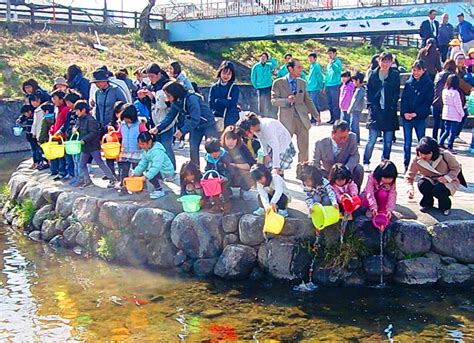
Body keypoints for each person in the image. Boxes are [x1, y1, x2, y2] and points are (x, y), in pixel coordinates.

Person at [151, 81, 217, 167]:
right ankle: (195, 171)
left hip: (208, 124)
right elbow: (169, 117)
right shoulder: (176, 102)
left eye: (168, 95)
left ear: (175, 93)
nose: (167, 98)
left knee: (211, 147)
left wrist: (182, 131)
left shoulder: (191, 99)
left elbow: (195, 119)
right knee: (193, 148)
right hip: (195, 126)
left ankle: (211, 169)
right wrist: (158, 127)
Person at [271, 58, 320, 165]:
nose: (301, 70)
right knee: (283, 147)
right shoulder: (278, 83)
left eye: (301, 67)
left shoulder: (302, 82)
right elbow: (274, 100)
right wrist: (286, 101)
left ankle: (303, 172)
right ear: (290, 68)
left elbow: (308, 100)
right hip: (286, 119)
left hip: (302, 119)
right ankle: (279, 170)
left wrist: (315, 114)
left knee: (304, 148)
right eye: (298, 67)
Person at [363, 52, 400, 172]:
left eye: (388, 61)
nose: (385, 64)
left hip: (389, 112)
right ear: (379, 61)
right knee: (371, 140)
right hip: (375, 112)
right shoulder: (373, 75)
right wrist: (372, 107)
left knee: (388, 141)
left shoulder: (394, 75)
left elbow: (396, 94)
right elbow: (369, 93)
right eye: (383, 61)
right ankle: (366, 161)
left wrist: (392, 108)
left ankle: (385, 162)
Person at [406, 137, 461, 215]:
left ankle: (445, 207)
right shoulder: (416, 160)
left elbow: (456, 168)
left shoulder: (445, 155)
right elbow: (409, 176)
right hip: (430, 179)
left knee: (439, 189)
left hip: (448, 181)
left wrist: (447, 178)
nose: (424, 156)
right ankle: (427, 203)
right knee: (422, 184)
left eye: (427, 153)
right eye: (421, 153)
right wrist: (410, 189)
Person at [73, 100, 117, 188]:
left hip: (93, 146)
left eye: (77, 111)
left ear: (83, 110)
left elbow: (93, 133)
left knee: (100, 163)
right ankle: (87, 180)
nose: (76, 113)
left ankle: (112, 179)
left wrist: (84, 140)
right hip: (85, 147)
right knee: (82, 164)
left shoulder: (91, 120)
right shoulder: (79, 120)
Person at [400, 60, 434, 171]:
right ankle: (407, 165)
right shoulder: (409, 83)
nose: (416, 72)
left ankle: (422, 166)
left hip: (419, 118)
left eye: (418, 70)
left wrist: (416, 113)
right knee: (407, 143)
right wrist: (405, 113)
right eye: (414, 70)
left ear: (424, 70)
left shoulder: (428, 84)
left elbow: (427, 102)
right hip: (407, 118)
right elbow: (404, 99)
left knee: (422, 143)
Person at [312, 120, 364, 190]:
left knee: (359, 169)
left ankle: (355, 194)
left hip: (346, 172)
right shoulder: (320, 143)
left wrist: (345, 169)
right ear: (333, 133)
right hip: (328, 173)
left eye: (345, 137)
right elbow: (315, 162)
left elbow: (355, 156)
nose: (342, 141)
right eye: (340, 138)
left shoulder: (352, 138)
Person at [114, 104, 148, 193]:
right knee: (124, 170)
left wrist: (142, 143)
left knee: (137, 170)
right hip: (125, 151)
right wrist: (113, 133)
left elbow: (145, 135)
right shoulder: (123, 124)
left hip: (137, 151)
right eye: (124, 118)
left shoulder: (140, 125)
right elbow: (120, 134)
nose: (126, 120)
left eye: (127, 118)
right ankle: (123, 187)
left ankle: (140, 187)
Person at [133, 132, 174, 199]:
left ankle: (159, 190)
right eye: (140, 144)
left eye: (143, 144)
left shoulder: (157, 152)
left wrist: (146, 176)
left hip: (165, 170)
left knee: (151, 173)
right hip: (159, 169)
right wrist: (135, 173)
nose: (141, 146)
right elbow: (143, 163)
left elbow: (156, 167)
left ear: (149, 142)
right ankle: (158, 185)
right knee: (149, 172)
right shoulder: (146, 150)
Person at [221, 125, 255, 200]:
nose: (231, 142)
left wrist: (235, 165)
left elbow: (251, 165)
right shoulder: (220, 148)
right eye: (228, 139)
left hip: (239, 173)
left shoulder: (242, 148)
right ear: (224, 138)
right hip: (224, 174)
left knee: (253, 172)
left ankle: (244, 189)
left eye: (234, 139)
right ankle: (225, 190)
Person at [90, 69, 128, 133]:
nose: (97, 84)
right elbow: (98, 109)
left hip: (114, 126)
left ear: (105, 81)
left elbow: (125, 106)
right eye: (95, 83)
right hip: (102, 126)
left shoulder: (116, 90)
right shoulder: (97, 93)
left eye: (98, 82)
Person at [203, 138, 232, 214]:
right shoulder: (209, 158)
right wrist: (204, 178)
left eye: (215, 152)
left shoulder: (225, 156)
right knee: (213, 188)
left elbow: (231, 169)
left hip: (226, 177)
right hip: (216, 177)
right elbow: (208, 168)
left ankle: (227, 204)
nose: (214, 155)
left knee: (224, 189)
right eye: (211, 153)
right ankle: (217, 205)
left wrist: (226, 178)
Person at [209, 60, 240, 130]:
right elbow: (211, 104)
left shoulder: (234, 88)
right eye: (224, 73)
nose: (226, 76)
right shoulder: (214, 87)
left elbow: (232, 103)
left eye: (229, 74)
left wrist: (219, 101)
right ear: (220, 72)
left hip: (231, 120)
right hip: (218, 119)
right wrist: (226, 101)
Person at [60, 92, 82, 185]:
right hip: (69, 138)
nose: (67, 105)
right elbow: (66, 124)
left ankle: (80, 177)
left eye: (69, 103)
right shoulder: (70, 113)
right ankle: (74, 175)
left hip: (77, 140)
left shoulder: (80, 113)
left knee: (78, 160)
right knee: (71, 158)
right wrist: (60, 131)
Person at [439, 75, 465, 153]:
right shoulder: (455, 93)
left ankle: (440, 143)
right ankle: (450, 146)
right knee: (453, 132)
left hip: (446, 112)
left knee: (446, 131)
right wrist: (462, 113)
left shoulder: (445, 91)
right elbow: (458, 104)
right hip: (454, 114)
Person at [432, 60, 457, 140]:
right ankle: (441, 141)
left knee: (436, 124)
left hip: (435, 101)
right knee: (444, 125)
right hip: (445, 103)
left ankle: (434, 140)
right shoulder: (451, 76)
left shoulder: (438, 74)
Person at [49, 90, 70, 180]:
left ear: (61, 100)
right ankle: (61, 171)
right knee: (60, 155)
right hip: (56, 135)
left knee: (65, 155)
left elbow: (65, 124)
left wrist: (61, 132)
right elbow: (55, 122)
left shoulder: (66, 110)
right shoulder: (57, 109)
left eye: (55, 98)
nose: (53, 100)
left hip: (63, 136)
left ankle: (65, 172)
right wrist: (52, 130)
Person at [17, 105, 42, 170]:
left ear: (30, 112)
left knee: (37, 150)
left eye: (25, 113)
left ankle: (39, 162)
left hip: (34, 136)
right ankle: (35, 162)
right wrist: (20, 122)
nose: (25, 115)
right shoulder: (27, 117)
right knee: (33, 150)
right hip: (29, 137)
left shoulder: (35, 117)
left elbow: (35, 126)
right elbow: (23, 121)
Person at [251, 52, 274, 118]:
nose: (263, 58)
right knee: (261, 101)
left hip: (268, 85)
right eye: (262, 56)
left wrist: (270, 58)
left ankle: (270, 114)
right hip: (260, 87)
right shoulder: (256, 66)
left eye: (265, 57)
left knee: (269, 100)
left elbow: (275, 64)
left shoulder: (269, 66)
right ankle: (261, 115)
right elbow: (253, 77)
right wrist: (256, 86)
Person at [325, 47, 343, 124]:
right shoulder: (329, 63)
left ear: (335, 53)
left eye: (331, 53)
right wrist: (325, 84)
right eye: (328, 54)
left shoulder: (337, 62)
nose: (329, 55)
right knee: (330, 103)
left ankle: (336, 119)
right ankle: (332, 118)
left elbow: (338, 70)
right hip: (329, 84)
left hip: (335, 84)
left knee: (335, 103)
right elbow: (327, 75)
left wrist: (333, 64)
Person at [347, 72, 366, 144]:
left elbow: (355, 101)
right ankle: (356, 140)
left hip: (356, 109)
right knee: (354, 125)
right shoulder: (361, 89)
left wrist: (350, 109)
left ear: (358, 80)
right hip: (357, 109)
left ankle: (355, 140)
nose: (353, 83)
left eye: (354, 81)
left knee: (353, 125)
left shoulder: (359, 90)